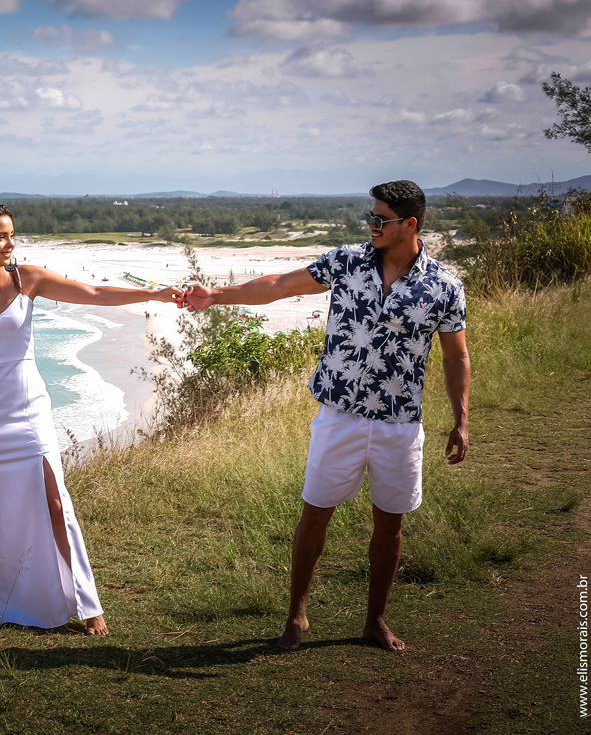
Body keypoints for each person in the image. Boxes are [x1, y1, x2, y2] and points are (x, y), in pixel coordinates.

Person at [184, 180, 470, 652]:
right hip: (339, 416)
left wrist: (461, 420)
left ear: (410, 225)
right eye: (370, 217)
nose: (372, 226)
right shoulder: (347, 261)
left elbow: (455, 357)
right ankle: (296, 614)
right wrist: (215, 295)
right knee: (314, 513)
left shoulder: (444, 286)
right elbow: (279, 286)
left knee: (390, 523)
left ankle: (374, 621)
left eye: (381, 220)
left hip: (400, 422)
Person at [0, 204, 183, 635]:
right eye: (0, 236)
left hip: (30, 410)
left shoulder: (27, 278)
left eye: (12, 235)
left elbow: (93, 294)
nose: (10, 243)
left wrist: (156, 294)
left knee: (56, 503)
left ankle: (89, 606)